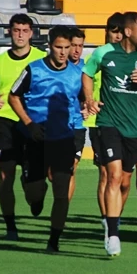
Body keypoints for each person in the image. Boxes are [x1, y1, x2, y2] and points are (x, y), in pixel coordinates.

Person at [83, 12, 137, 257]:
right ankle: (113, 233)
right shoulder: (103, 53)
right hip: (108, 124)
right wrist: (89, 99)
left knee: (125, 181)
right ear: (129, 32)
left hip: (134, 128)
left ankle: (111, 221)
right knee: (113, 175)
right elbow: (87, 74)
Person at [8, 26, 86, 254]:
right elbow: (13, 96)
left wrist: (89, 104)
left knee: (62, 192)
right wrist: (29, 123)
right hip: (36, 137)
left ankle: (54, 240)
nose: (63, 52)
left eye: (67, 47)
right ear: (49, 46)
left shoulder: (76, 74)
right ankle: (32, 190)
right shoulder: (33, 70)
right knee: (35, 193)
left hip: (64, 139)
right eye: (58, 47)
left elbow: (82, 99)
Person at [0, 14, 48, 240]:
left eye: (24, 30)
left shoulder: (41, 58)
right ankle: (10, 226)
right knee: (5, 175)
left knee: (34, 190)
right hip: (5, 123)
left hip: (33, 123)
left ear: (31, 33)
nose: (20, 35)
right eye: (16, 30)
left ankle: (34, 191)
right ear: (10, 31)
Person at [83, 14, 125, 231]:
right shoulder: (99, 56)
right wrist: (89, 100)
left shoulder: (128, 57)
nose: (117, 35)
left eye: (120, 31)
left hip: (123, 122)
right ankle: (106, 218)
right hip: (99, 122)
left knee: (121, 175)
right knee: (106, 173)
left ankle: (113, 213)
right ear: (106, 32)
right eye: (113, 31)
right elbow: (85, 79)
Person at [67, 26, 88, 201]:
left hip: (79, 125)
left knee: (71, 168)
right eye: (74, 45)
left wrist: (89, 104)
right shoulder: (57, 67)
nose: (77, 50)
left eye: (80, 46)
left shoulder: (87, 68)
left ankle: (62, 209)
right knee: (53, 173)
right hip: (58, 124)